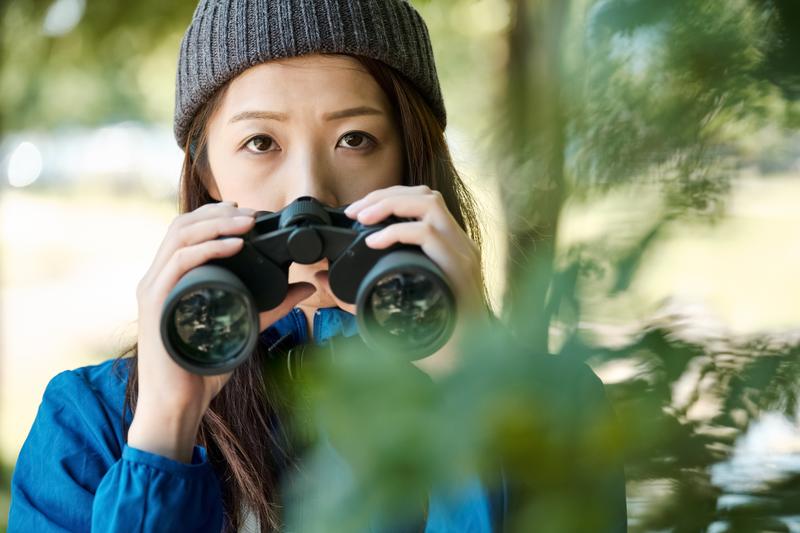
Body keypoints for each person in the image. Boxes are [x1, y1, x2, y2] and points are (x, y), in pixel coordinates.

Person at [8, 1, 627, 532]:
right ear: (206, 173)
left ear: (412, 160)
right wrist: (166, 423)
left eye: (354, 139)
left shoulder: (561, 411)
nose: (309, 192)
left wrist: (477, 392)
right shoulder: (88, 423)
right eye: (260, 143)